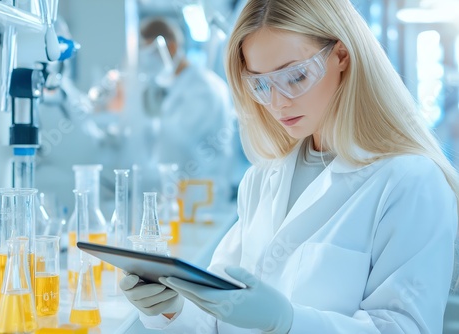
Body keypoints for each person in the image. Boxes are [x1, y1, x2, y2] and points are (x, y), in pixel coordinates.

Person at [120, 0, 459, 333]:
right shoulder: (262, 178)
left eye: (295, 76)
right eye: (262, 84)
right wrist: (172, 310)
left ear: (342, 56)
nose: (278, 102)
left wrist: (288, 322)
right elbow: (218, 315)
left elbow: (402, 328)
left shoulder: (411, 182)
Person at [128, 17, 238, 204]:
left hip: (204, 198)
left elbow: (177, 140)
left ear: (170, 48)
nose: (146, 62)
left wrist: (138, 125)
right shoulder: (176, 84)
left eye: (149, 53)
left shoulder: (203, 88)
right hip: (182, 195)